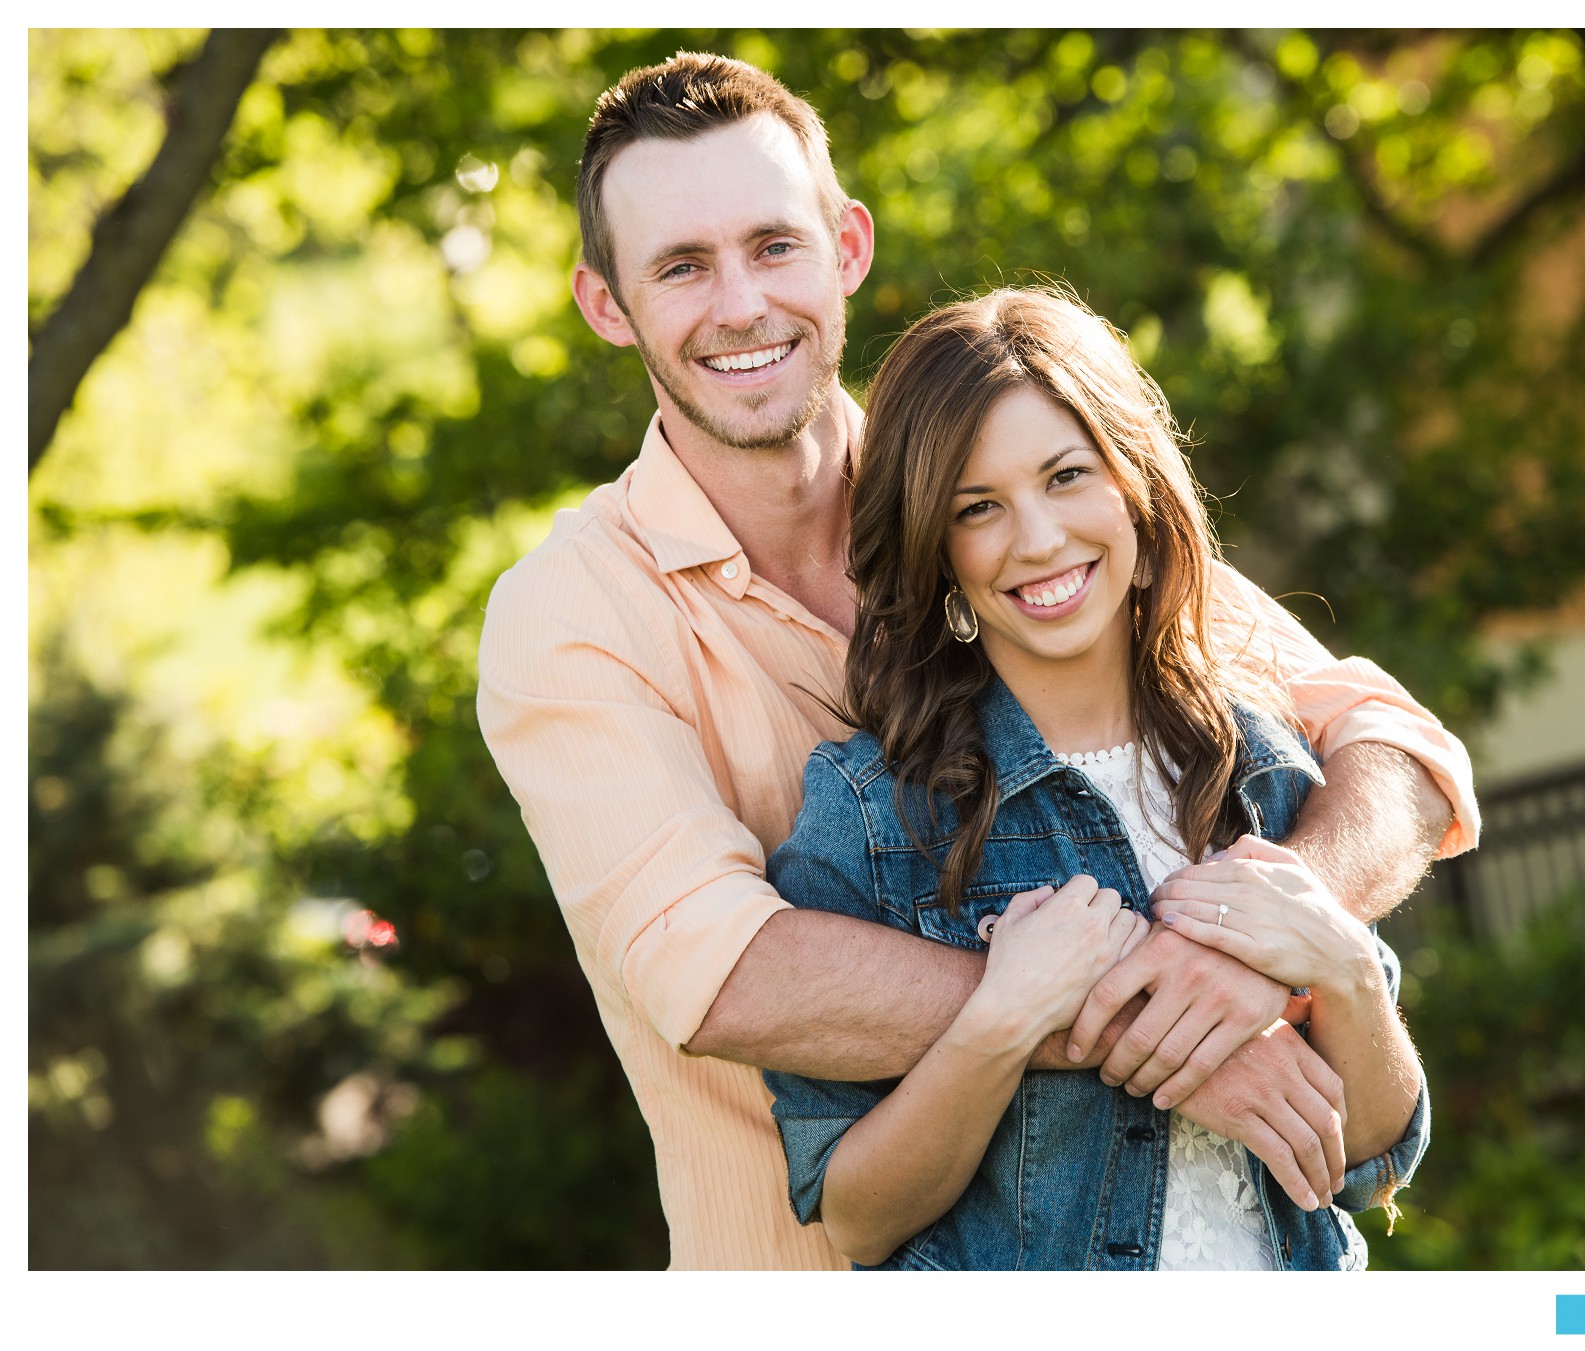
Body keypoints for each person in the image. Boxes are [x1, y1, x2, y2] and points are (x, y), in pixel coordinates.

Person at [476, 51, 1479, 1270]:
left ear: (846, 247)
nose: (740, 302)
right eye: (682, 267)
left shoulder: (1002, 495)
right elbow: (727, 972)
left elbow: (1389, 744)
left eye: (772, 244)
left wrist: (1250, 953)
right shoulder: (568, 615)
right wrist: (1158, 1027)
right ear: (606, 304)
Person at [763, 287, 1427, 1270]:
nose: (1036, 539)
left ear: (1133, 486)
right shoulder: (874, 816)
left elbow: (1372, 1161)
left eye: (1067, 475)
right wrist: (999, 1020)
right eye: (977, 508)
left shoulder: (1268, 763)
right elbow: (856, 1215)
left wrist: (1338, 963)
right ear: (935, 552)